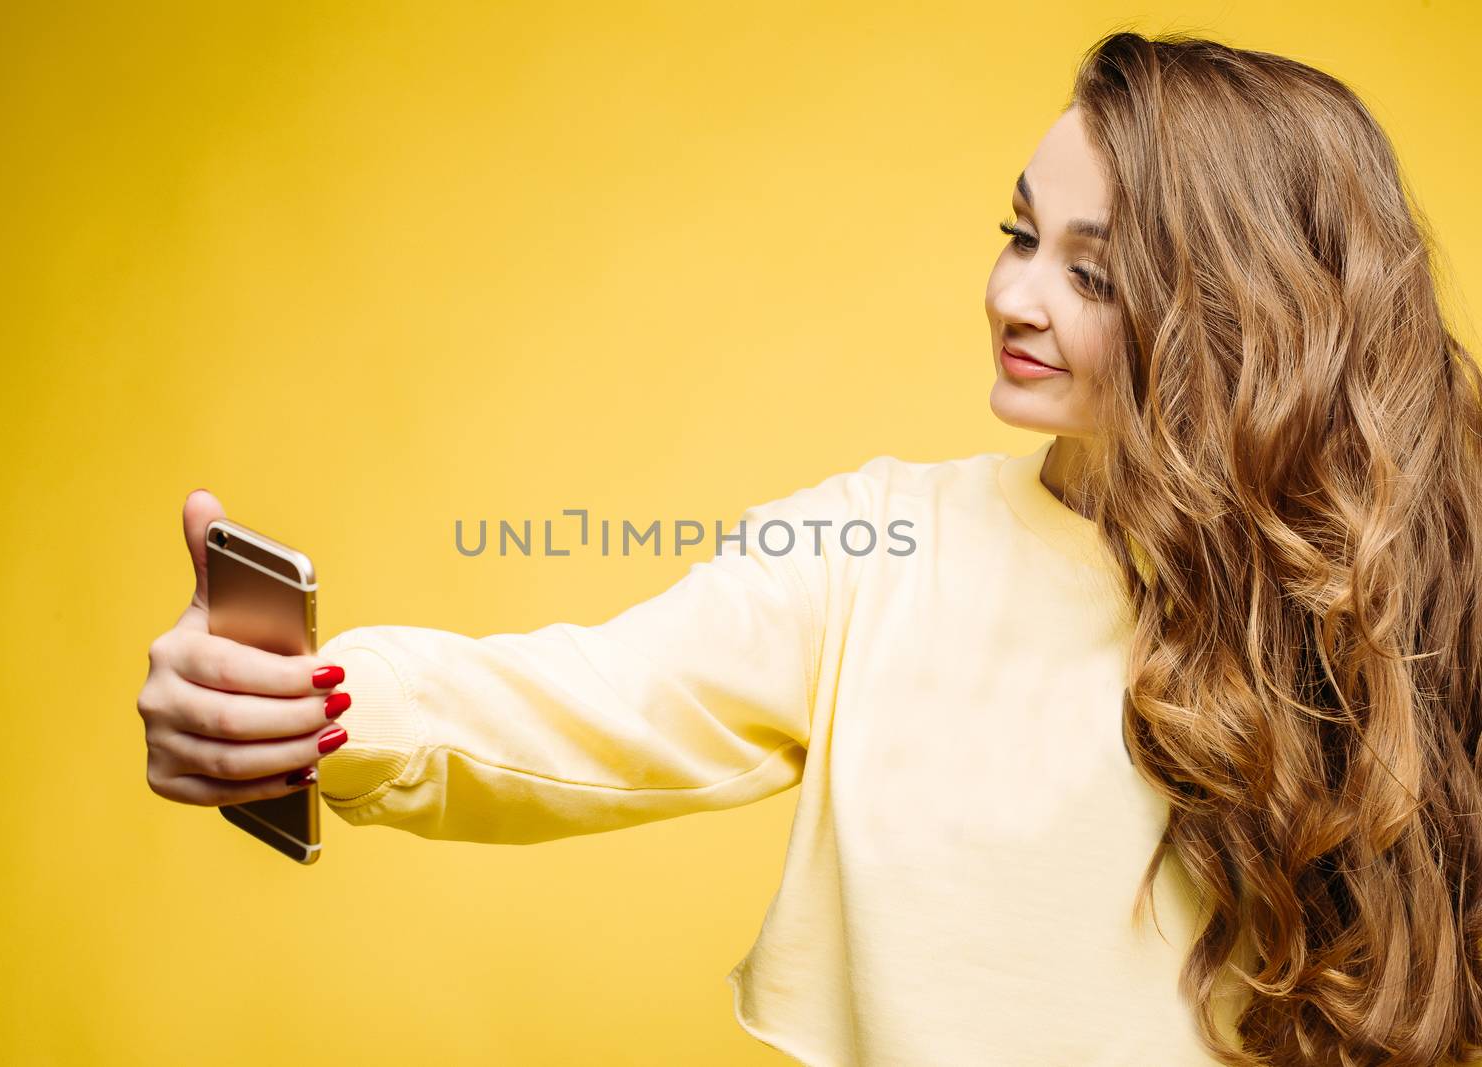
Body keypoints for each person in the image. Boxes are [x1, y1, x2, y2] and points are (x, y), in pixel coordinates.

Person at [135, 30, 1482, 1067]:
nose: (1014, 295)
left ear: (1247, 315)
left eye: (1096, 270)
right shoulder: (877, 549)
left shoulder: (1404, 584)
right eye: (1019, 232)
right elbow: (591, 705)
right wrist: (311, 700)